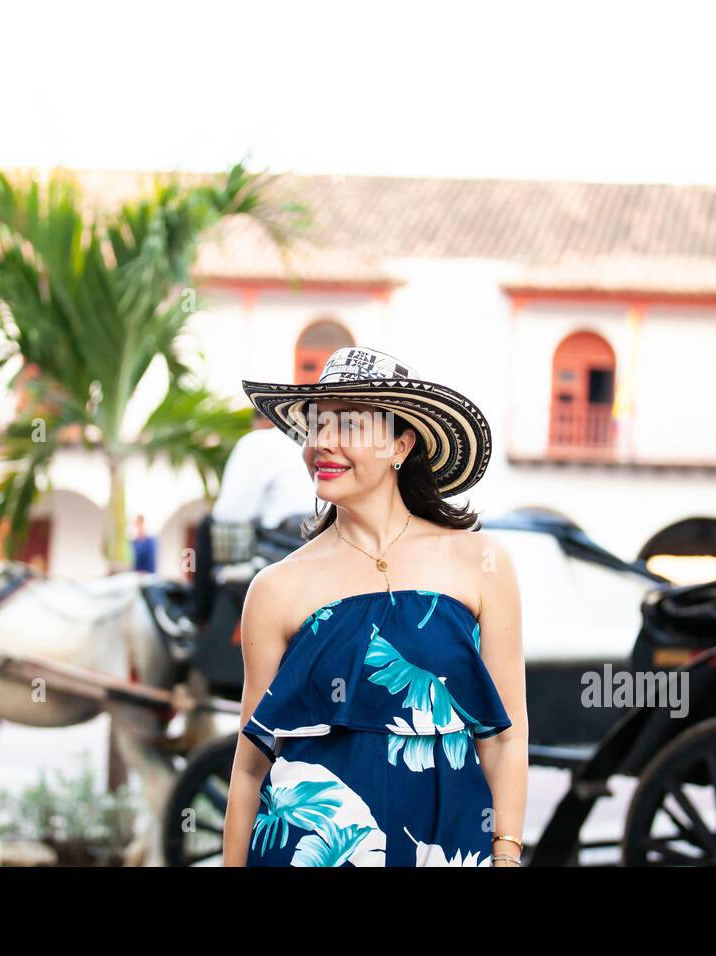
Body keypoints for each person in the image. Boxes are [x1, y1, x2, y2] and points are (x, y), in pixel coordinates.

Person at [222, 345, 529, 867]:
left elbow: (504, 738)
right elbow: (251, 765)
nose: (321, 442)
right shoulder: (275, 589)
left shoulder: (481, 563)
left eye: (347, 425)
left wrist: (505, 854)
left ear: (400, 444)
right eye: (316, 425)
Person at [185, 409, 316, 627]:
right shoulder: (310, 440)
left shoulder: (257, 441)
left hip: (281, 542)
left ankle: (198, 617)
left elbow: (230, 513)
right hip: (316, 535)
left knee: (207, 526)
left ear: (262, 419)